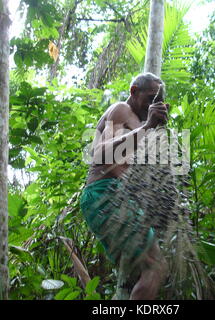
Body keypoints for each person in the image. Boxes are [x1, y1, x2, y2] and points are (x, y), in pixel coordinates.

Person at [80, 72, 169, 300]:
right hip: (103, 193)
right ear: (133, 92)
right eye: (149, 98)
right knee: (155, 267)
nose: (152, 104)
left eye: (156, 100)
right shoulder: (122, 109)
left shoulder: (139, 124)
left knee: (146, 269)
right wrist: (148, 126)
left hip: (116, 197)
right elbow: (99, 154)